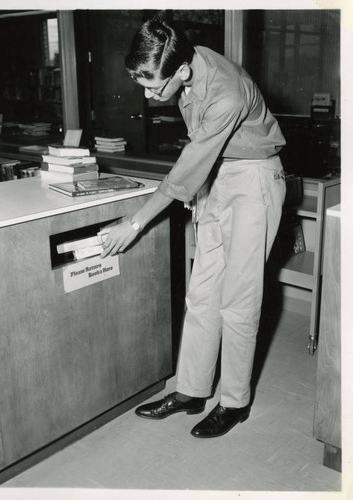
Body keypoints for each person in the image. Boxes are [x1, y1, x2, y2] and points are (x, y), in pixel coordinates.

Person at [100, 13, 286, 438]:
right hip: (219, 176)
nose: (147, 96)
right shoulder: (182, 62)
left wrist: (134, 224)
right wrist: (202, 196)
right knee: (201, 293)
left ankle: (235, 402)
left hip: (253, 178)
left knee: (238, 301)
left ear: (181, 71)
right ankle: (191, 391)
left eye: (153, 87)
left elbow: (185, 170)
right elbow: (199, 160)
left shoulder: (227, 92)